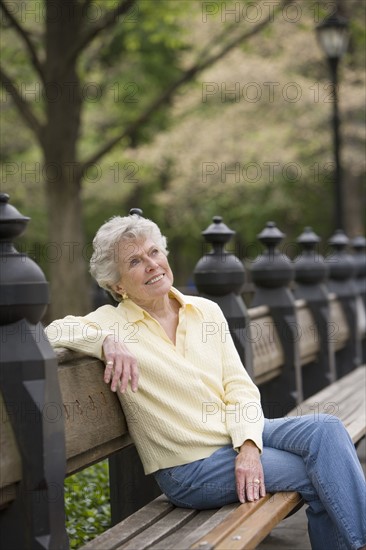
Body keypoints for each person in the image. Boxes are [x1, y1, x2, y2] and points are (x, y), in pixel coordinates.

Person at [46, 214, 366, 550]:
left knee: (327, 430)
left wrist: (248, 447)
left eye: (154, 252)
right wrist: (105, 342)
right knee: (315, 474)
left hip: (231, 434)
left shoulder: (205, 311)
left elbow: (239, 387)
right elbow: (53, 331)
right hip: (190, 468)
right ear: (118, 285)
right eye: (135, 261)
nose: (152, 265)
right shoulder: (112, 322)